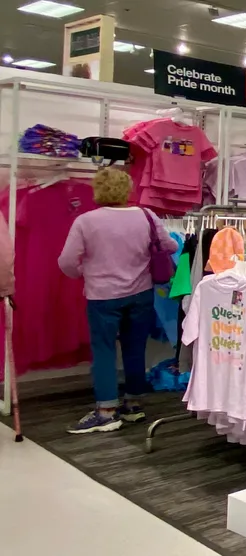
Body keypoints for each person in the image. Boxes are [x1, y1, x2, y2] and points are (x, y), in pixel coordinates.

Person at [58, 167, 178, 433]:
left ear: (98, 190)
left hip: (102, 296)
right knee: (135, 350)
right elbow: (169, 246)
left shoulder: (86, 221)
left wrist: (84, 273)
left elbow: (66, 261)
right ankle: (133, 406)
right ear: (127, 189)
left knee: (104, 351)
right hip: (141, 294)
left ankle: (106, 412)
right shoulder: (146, 216)